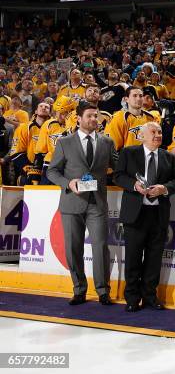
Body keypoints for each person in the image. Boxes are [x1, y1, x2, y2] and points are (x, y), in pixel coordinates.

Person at [46, 101, 117, 306]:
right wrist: (68, 183)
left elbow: (118, 166)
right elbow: (52, 171)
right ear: (78, 118)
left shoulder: (107, 142)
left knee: (101, 247)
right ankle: (79, 289)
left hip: (97, 203)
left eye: (96, 116)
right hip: (71, 202)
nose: (94, 119)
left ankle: (103, 291)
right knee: (73, 248)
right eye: (90, 116)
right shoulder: (64, 142)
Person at [113, 122, 175, 312]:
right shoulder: (128, 152)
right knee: (133, 258)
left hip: (158, 215)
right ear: (141, 136)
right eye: (153, 132)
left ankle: (150, 297)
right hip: (135, 215)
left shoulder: (169, 157)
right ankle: (132, 298)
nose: (158, 135)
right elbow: (117, 176)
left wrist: (164, 188)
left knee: (154, 259)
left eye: (159, 132)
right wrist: (134, 185)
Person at [105, 86, 158, 153]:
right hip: (127, 160)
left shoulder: (151, 117)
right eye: (135, 96)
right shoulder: (118, 118)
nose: (138, 99)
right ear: (126, 99)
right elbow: (112, 149)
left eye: (141, 96)